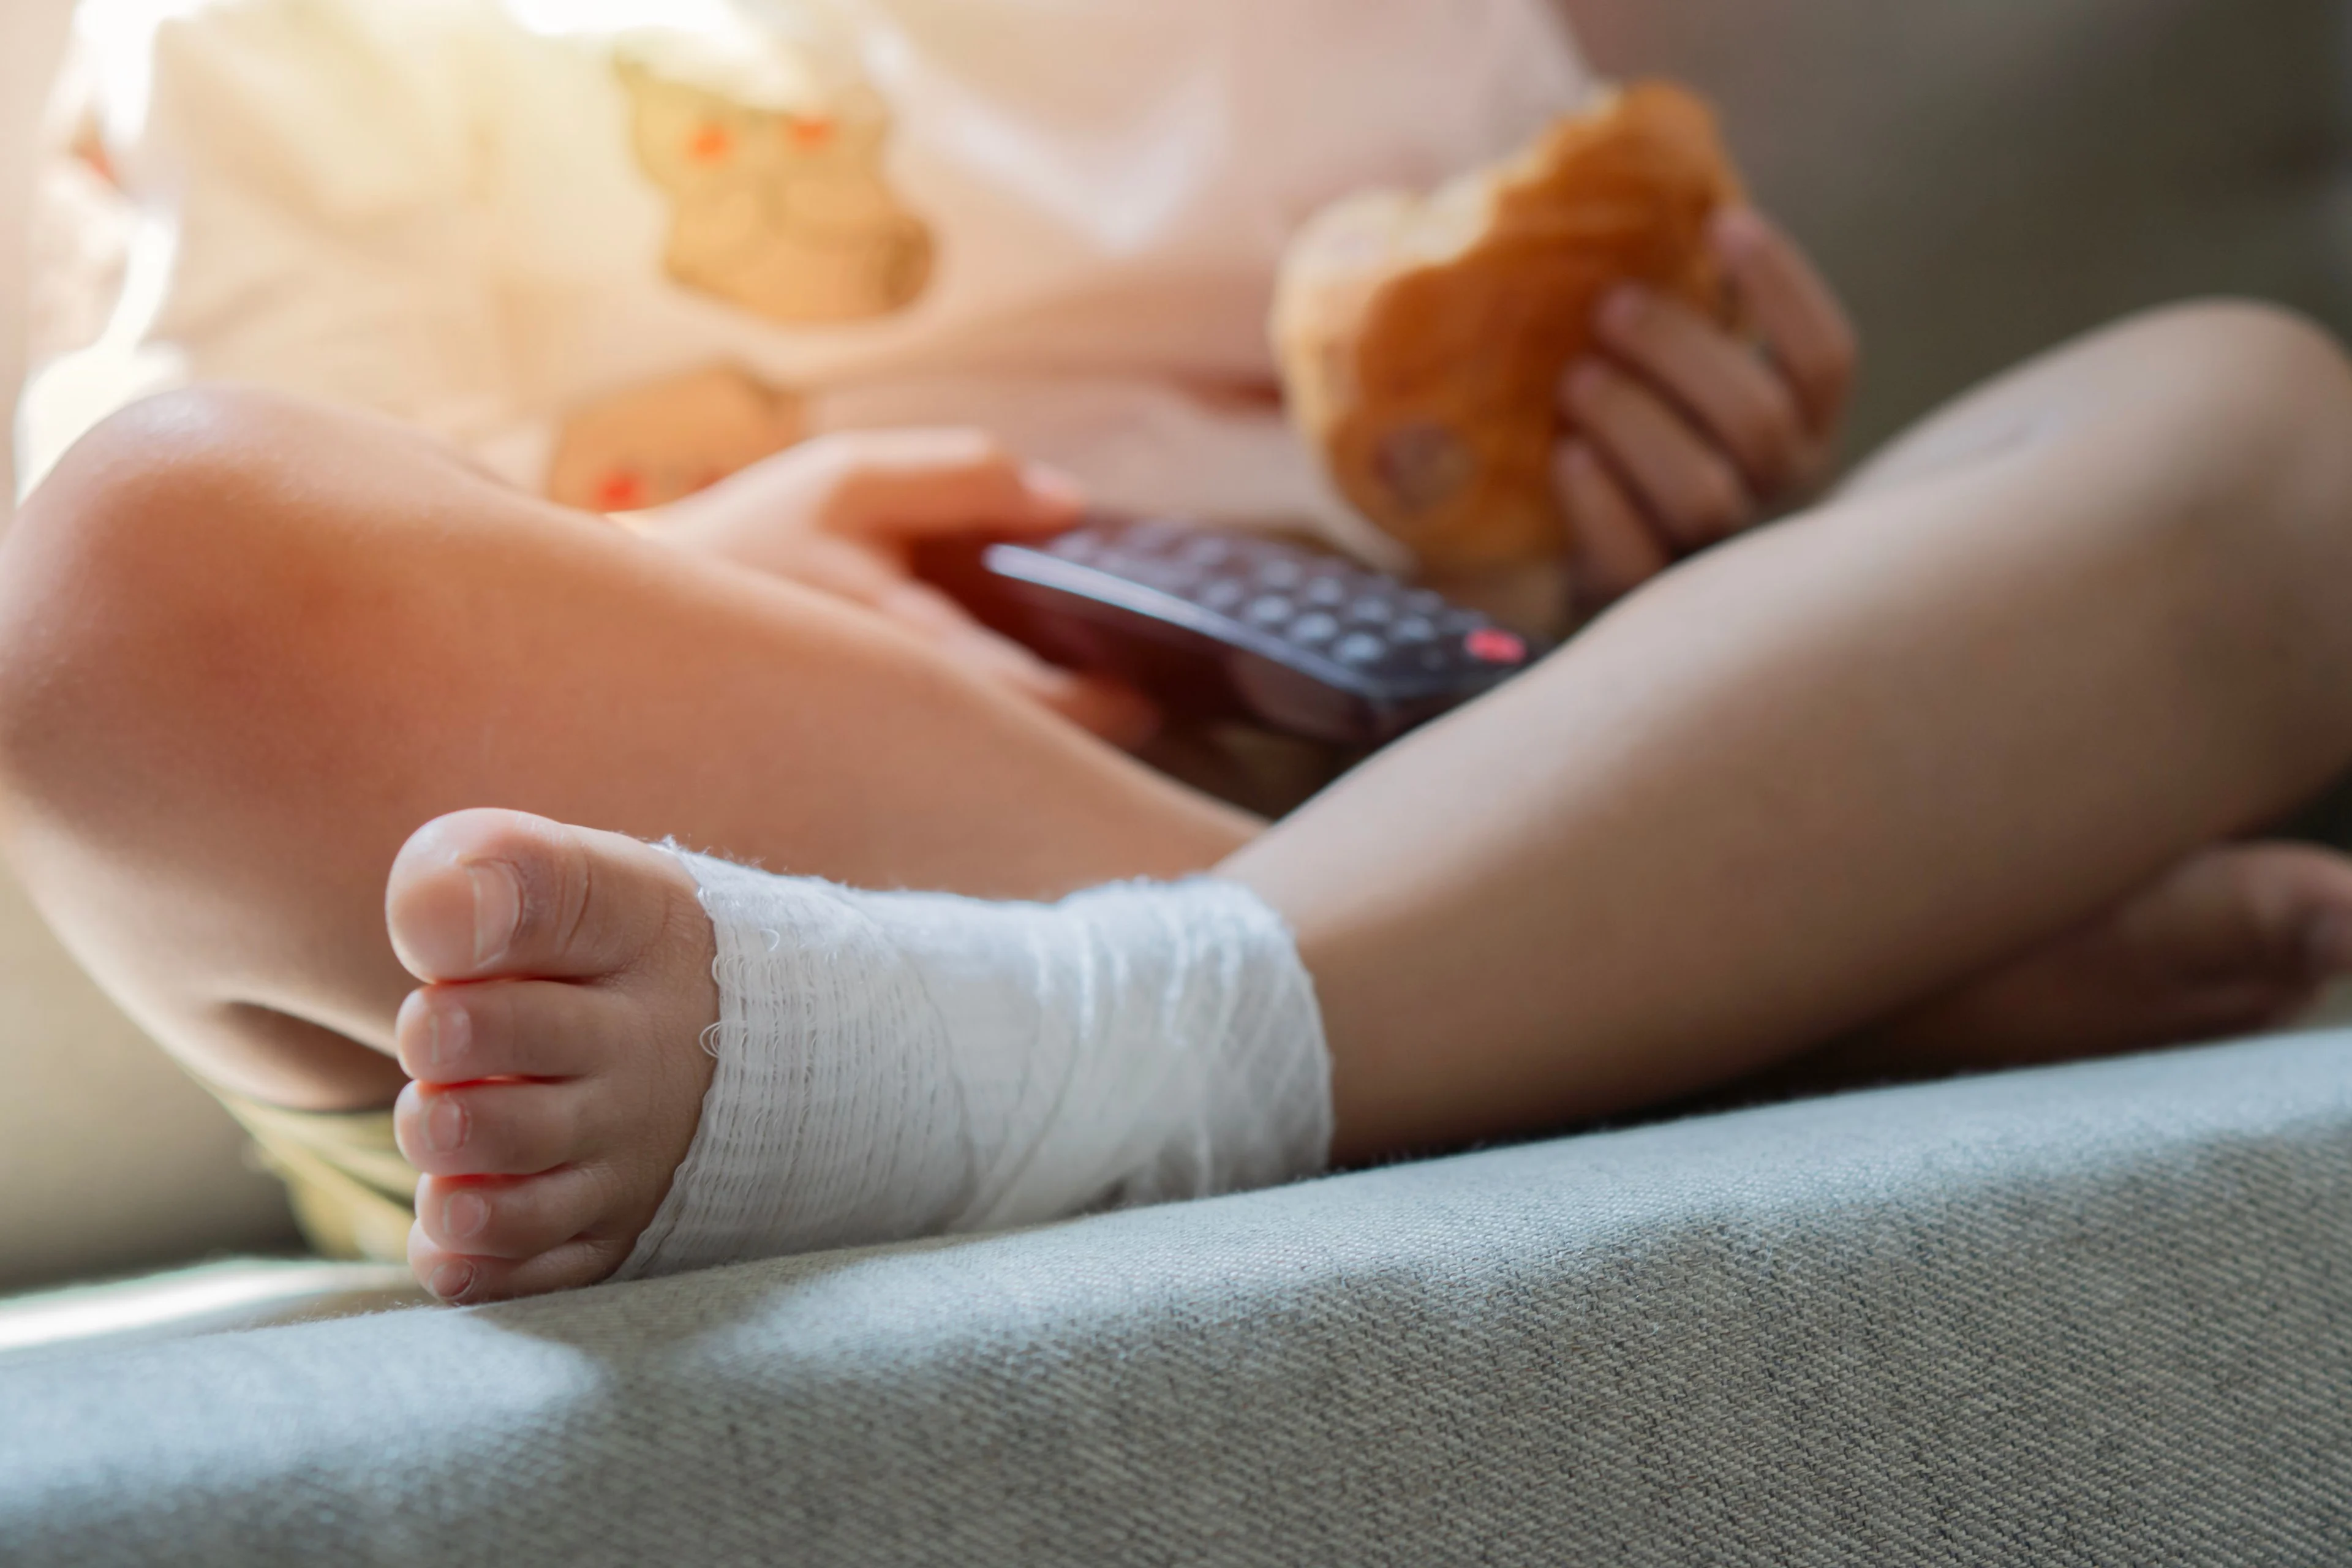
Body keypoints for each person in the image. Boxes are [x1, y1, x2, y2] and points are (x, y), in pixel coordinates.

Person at [10, 0, 2352, 1302]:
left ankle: (1138, 1041)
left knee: (2260, 429)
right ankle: (1798, 998)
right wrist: (720, 565)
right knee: (135, 568)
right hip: (665, 901)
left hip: (1420, 794)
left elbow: (1537, 625)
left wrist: (1695, 541)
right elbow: (321, 533)